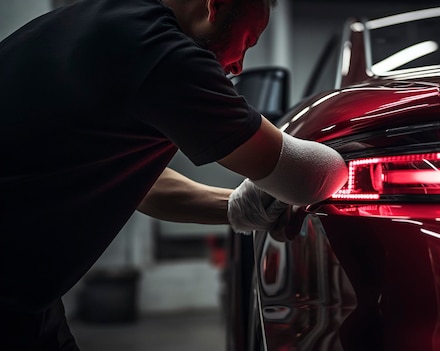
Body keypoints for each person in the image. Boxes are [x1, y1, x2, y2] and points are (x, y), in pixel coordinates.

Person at [0, 0, 348, 349]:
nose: (239, 66)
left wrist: (240, 207)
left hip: (26, 300)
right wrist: (351, 159)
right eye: (246, 42)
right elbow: (309, 177)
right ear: (216, 5)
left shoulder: (98, 20)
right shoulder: (164, 54)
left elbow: (145, 187)